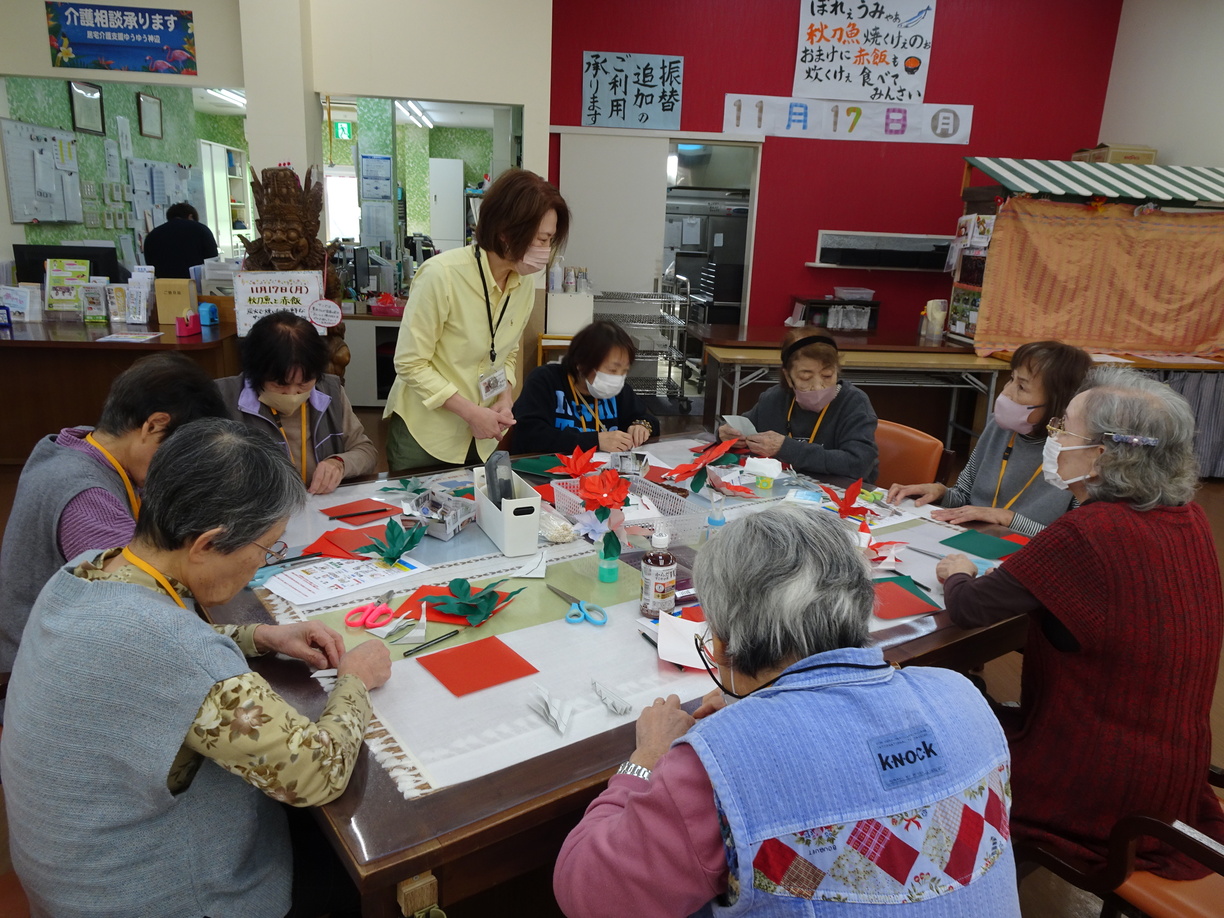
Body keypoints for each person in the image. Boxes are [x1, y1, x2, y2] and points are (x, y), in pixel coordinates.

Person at [1, 418, 392, 917]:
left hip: (75, 874)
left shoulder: (86, 570)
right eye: (265, 549)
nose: (261, 563)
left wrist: (260, 635)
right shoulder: (173, 650)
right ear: (207, 544)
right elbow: (315, 774)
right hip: (156, 896)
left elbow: (145, 659)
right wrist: (355, 678)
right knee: (350, 867)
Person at [555, 504, 1019, 916]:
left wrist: (647, 761)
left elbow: (587, 894)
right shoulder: (961, 694)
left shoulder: (713, 765)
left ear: (720, 644)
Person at [937, 367, 1224, 879]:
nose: (1054, 441)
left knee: (940, 731)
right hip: (1172, 772)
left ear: (1103, 454)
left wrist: (956, 572)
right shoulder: (1189, 518)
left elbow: (969, 609)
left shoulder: (1088, 531)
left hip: (1096, 780)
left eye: (1063, 429)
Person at [0, 352, 228, 675]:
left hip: (55, 646)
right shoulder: (87, 497)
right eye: (180, 455)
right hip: (42, 673)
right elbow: (150, 612)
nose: (181, 469)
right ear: (154, 425)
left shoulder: (81, 445)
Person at [383, 168, 570, 470]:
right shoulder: (441, 275)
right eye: (541, 239)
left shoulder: (523, 287)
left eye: (550, 241)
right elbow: (409, 362)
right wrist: (470, 412)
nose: (545, 251)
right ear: (506, 231)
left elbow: (507, 354)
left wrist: (506, 397)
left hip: (484, 437)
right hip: (428, 435)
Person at [887, 340, 1092, 536]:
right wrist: (940, 493)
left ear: (1058, 403)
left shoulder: (1075, 455)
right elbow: (963, 496)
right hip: (972, 541)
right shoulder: (999, 427)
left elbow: (1071, 543)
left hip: (1028, 556)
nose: (1006, 392)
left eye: (1022, 387)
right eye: (1011, 379)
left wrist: (1009, 519)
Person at [216, 310, 377, 494]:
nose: (292, 393)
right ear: (256, 373)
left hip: (319, 507)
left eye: (304, 383)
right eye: (280, 384)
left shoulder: (330, 391)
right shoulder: (224, 398)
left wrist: (339, 463)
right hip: (260, 513)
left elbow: (366, 451)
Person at [718, 328, 879, 481]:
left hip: (838, 496)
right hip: (783, 490)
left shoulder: (854, 403)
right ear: (788, 377)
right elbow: (741, 433)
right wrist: (725, 436)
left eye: (827, 375)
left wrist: (787, 448)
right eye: (805, 378)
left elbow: (859, 464)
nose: (818, 386)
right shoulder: (774, 399)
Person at [511, 320, 660, 454]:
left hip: (602, 475)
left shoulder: (619, 390)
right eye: (612, 370)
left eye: (625, 371)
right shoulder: (545, 380)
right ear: (582, 364)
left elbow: (646, 418)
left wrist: (642, 426)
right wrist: (595, 441)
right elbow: (528, 436)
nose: (618, 378)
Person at [142, 201, 220, 278]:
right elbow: (213, 261)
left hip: (164, 285)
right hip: (195, 284)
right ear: (190, 216)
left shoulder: (153, 234)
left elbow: (150, 264)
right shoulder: (201, 229)